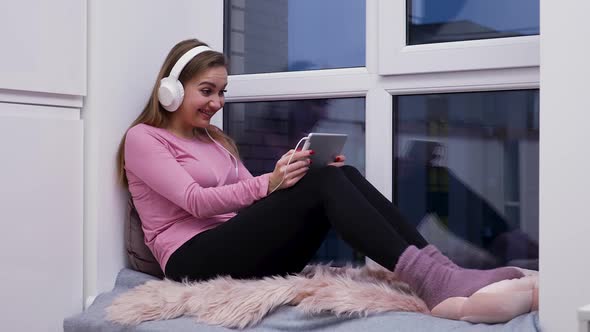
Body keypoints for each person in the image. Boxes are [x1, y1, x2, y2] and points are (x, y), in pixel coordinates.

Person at [116, 38, 524, 311]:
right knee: (322, 179)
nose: (217, 102)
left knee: (331, 172)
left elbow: (246, 194)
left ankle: (441, 272)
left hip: (234, 246)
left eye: (222, 92)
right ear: (170, 90)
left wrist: (290, 172)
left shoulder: (216, 139)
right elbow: (194, 201)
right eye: (207, 91)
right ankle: (435, 280)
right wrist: (272, 183)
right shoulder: (143, 139)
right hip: (191, 259)